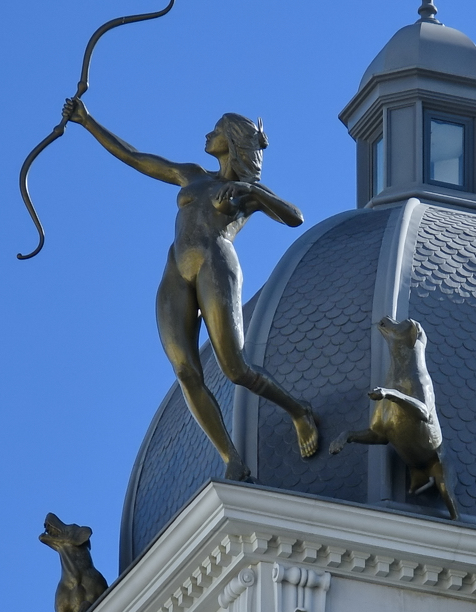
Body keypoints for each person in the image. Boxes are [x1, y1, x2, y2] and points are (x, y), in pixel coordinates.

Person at [63, 98, 318, 480]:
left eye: (216, 131)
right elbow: (135, 157)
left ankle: (298, 411)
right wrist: (87, 121)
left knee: (235, 369)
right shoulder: (192, 175)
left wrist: (254, 194)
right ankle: (231, 457)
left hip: (214, 265)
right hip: (175, 272)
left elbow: (295, 217)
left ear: (231, 142)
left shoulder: (245, 190)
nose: (207, 134)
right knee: (185, 370)